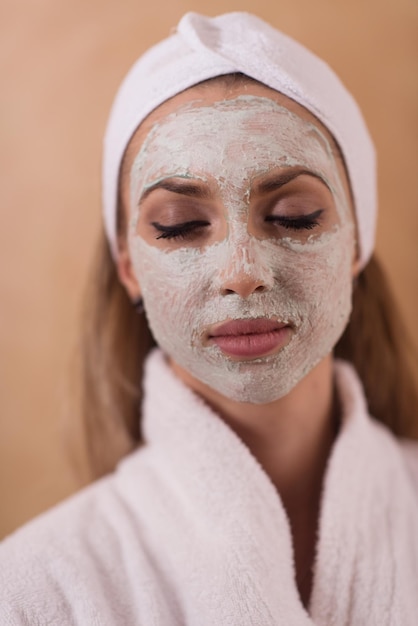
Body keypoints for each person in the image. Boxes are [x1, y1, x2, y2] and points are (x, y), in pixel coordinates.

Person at [1, 11, 418, 625]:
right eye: (180, 226)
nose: (240, 271)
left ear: (358, 240)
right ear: (129, 266)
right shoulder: (31, 591)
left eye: (296, 216)